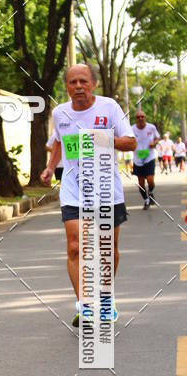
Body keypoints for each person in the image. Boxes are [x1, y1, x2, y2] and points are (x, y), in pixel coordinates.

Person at [40, 63, 136, 325]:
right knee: (75, 246)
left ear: (93, 83)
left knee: (107, 249)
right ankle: (85, 307)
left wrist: (102, 138)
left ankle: (106, 299)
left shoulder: (109, 108)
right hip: (74, 190)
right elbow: (58, 141)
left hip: (107, 190)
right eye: (73, 82)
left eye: (83, 81)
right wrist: (50, 168)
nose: (78, 86)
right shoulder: (60, 113)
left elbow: (130, 142)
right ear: (67, 87)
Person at [131, 111, 159, 208]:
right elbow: (129, 140)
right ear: (136, 119)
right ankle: (146, 200)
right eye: (138, 117)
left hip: (149, 157)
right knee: (141, 182)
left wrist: (154, 143)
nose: (140, 118)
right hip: (137, 159)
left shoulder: (151, 127)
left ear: (145, 117)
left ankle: (150, 192)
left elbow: (157, 138)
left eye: (142, 116)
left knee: (150, 179)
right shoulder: (132, 129)